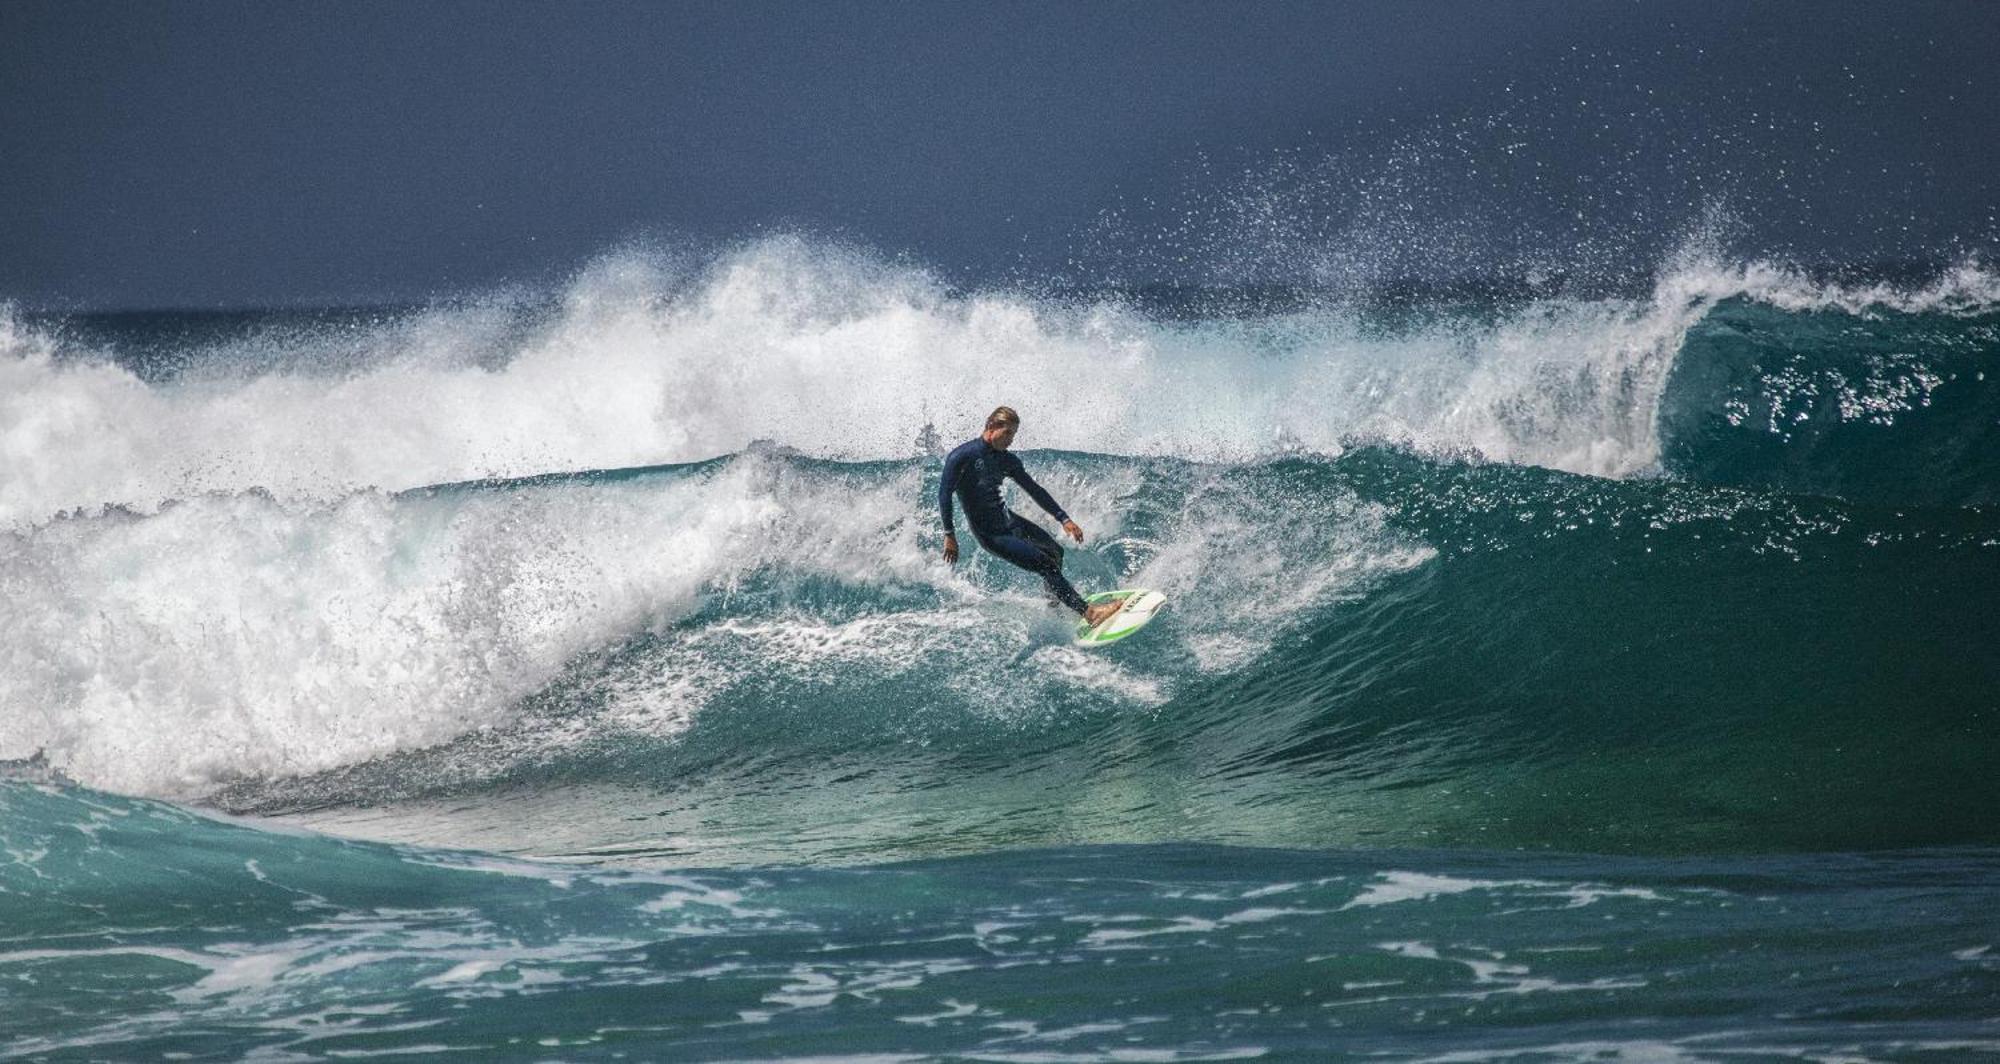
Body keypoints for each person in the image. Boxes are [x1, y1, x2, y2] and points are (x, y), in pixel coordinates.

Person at [940, 406, 1123, 627]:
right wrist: (949, 534)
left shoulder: (1007, 461)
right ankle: (1090, 613)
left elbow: (1034, 490)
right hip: (991, 534)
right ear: (990, 426)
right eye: (1007, 433)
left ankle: (1055, 605)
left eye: (1014, 435)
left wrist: (1064, 519)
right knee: (1046, 566)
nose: (1011, 440)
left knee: (1056, 553)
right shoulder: (962, 456)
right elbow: (944, 495)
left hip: (1009, 520)